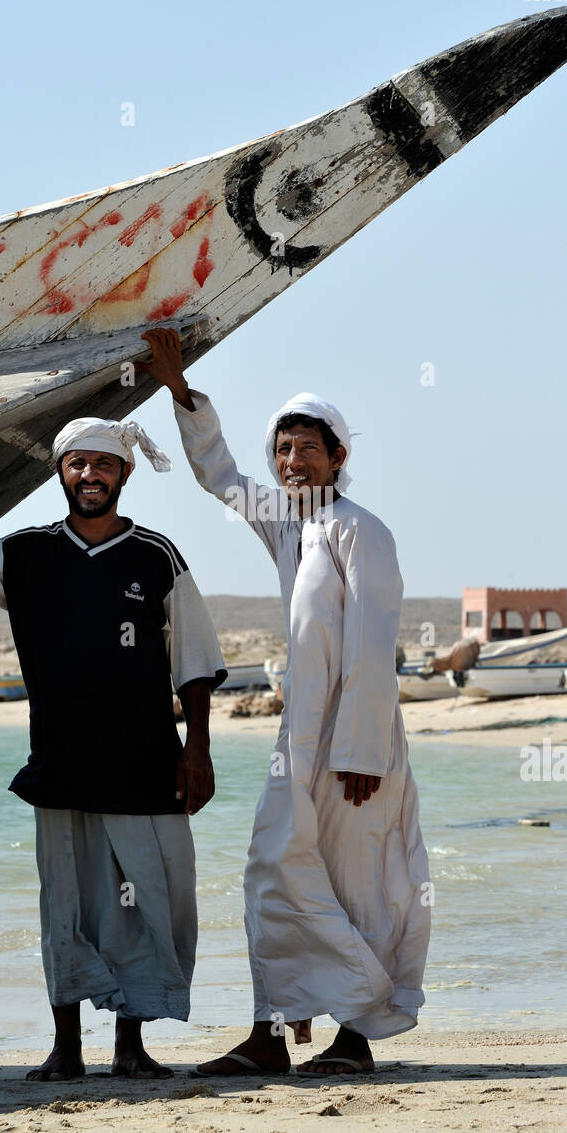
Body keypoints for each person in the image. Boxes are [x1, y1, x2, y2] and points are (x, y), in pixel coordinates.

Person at [139, 327, 431, 1077]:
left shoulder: (364, 532)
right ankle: (272, 1028)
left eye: (306, 448)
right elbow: (219, 474)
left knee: (358, 878)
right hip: (295, 738)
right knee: (273, 870)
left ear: (339, 457)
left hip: (355, 744)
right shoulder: (287, 524)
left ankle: (358, 1036)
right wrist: (179, 390)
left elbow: (372, 644)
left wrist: (361, 750)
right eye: (283, 449)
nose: (291, 461)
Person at [0, 415, 226, 1081]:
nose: (90, 475)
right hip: (59, 765)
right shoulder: (21, 554)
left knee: (152, 900)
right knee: (66, 906)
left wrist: (196, 750)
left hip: (147, 763)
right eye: (77, 464)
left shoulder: (156, 556)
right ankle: (67, 1049)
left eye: (103, 465)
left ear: (125, 474)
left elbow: (195, 662)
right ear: (60, 472)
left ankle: (131, 1047)